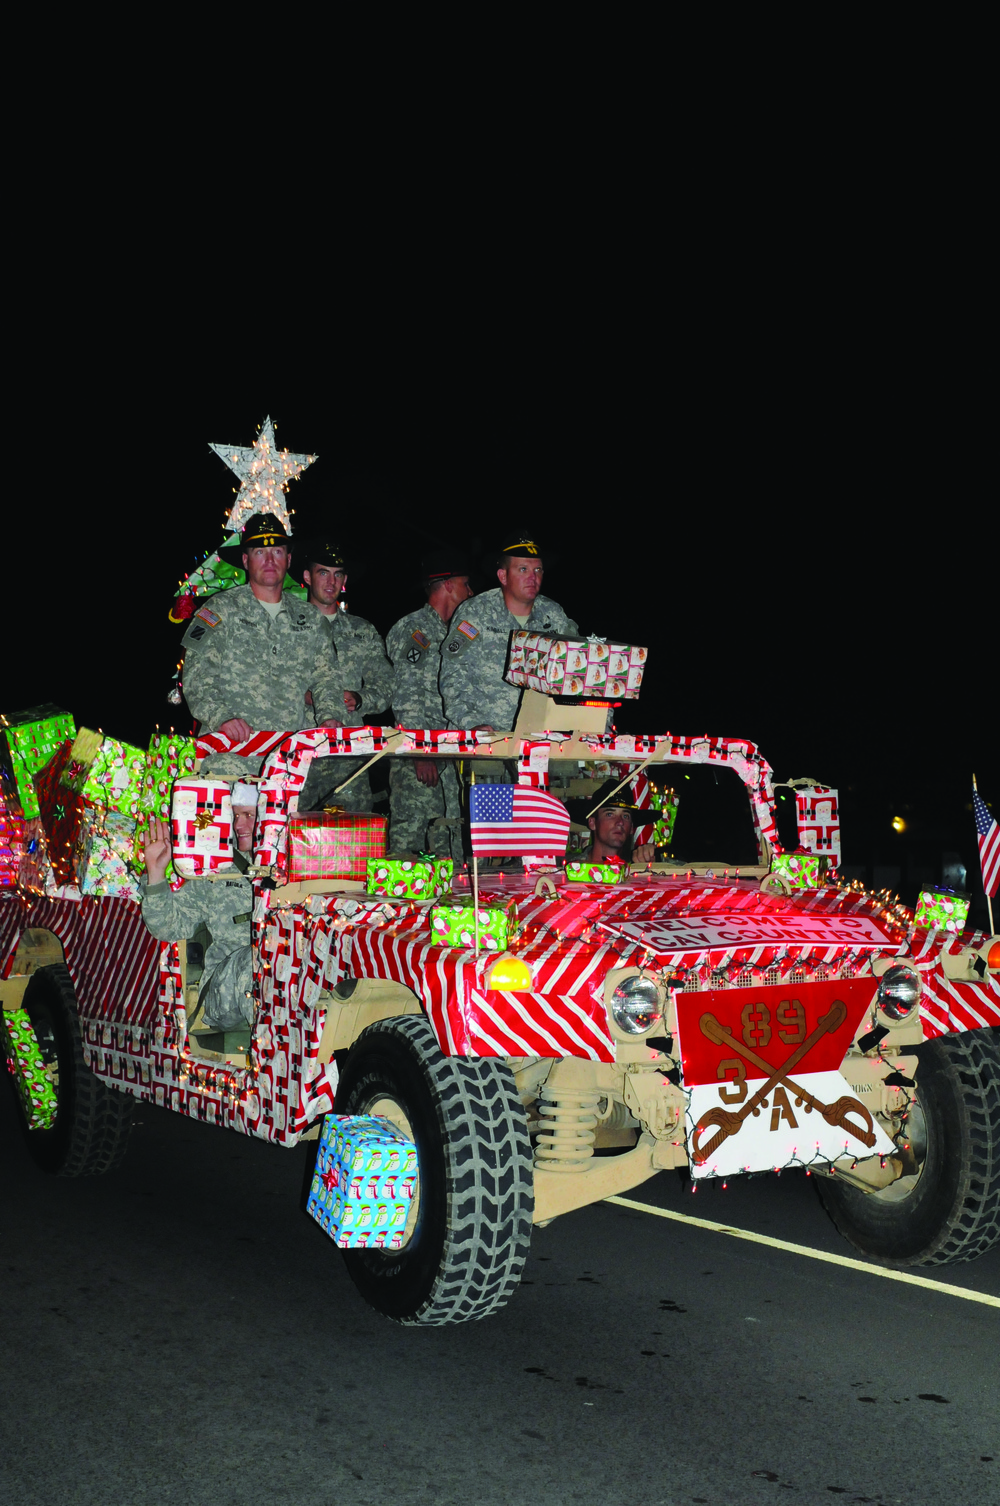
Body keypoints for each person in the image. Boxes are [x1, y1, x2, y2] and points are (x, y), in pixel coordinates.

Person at [181, 514, 346, 775]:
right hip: (229, 758)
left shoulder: (311, 619)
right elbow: (197, 674)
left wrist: (329, 717)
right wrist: (221, 716)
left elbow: (327, 678)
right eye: (260, 552)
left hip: (289, 764)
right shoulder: (220, 610)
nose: (270, 560)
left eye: (277, 551)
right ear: (246, 560)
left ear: (288, 559)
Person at [140, 785, 258, 1033]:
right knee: (260, 960)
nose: (239, 826)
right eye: (235, 816)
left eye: (248, 815)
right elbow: (167, 926)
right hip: (224, 989)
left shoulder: (298, 863)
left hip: (283, 976)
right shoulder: (219, 866)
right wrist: (156, 872)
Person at [438, 536, 578, 734]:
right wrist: (471, 724)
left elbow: (576, 671)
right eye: (523, 569)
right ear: (503, 576)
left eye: (537, 570)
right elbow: (453, 676)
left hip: (541, 737)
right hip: (486, 737)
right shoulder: (476, 613)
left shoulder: (553, 614)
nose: (533, 577)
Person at [296, 540, 395, 813]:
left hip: (347, 753)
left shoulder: (361, 631)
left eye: (337, 573)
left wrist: (360, 699)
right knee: (292, 835)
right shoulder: (289, 626)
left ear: (345, 580)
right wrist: (304, 697)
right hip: (298, 748)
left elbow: (386, 684)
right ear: (307, 577)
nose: (331, 581)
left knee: (353, 837)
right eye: (323, 572)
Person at [385, 553, 473, 857]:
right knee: (413, 846)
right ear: (448, 585)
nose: (470, 592)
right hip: (419, 762)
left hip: (450, 758)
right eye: (465, 584)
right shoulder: (415, 631)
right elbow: (405, 694)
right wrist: (419, 752)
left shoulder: (458, 633)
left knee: (450, 843)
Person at [583, 782, 656, 864]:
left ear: (631, 828)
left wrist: (652, 863)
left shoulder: (636, 871)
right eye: (609, 814)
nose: (620, 822)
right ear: (592, 823)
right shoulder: (570, 870)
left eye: (625, 816)